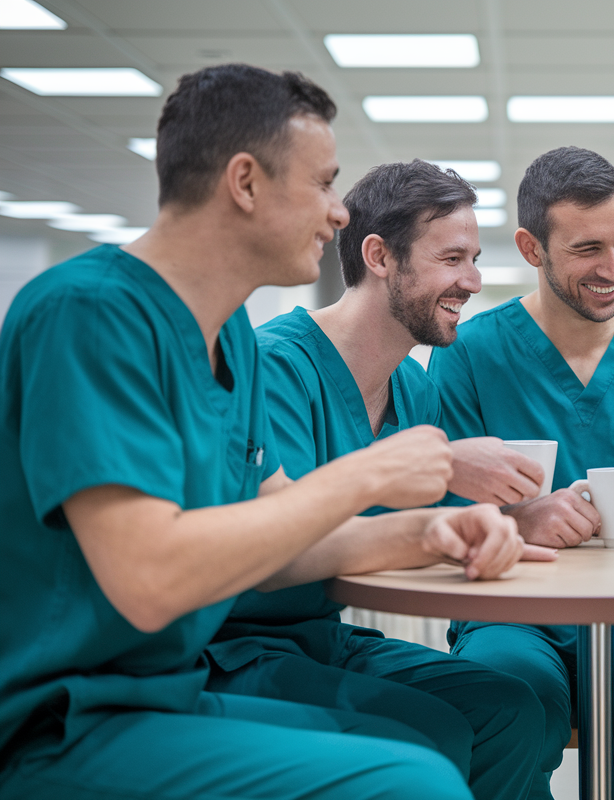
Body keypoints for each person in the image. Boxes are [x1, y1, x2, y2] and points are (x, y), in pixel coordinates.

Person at [0, 64, 491, 800]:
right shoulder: (87, 314)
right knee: (414, 783)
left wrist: (429, 533)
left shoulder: (229, 333)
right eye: (323, 184)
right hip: (62, 719)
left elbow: (282, 547)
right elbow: (149, 580)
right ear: (245, 182)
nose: (338, 214)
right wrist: (367, 474)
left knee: (446, 734)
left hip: (167, 691)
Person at [203, 159, 558, 800]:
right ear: (379, 256)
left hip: (321, 636)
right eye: (453, 259)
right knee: (430, 732)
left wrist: (513, 518)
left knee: (510, 706)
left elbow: (408, 523)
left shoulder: (413, 390)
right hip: (234, 648)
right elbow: (281, 542)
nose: (474, 281)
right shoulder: (276, 367)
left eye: (474, 259)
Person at [426, 146, 614, 800]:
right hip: (508, 612)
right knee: (503, 705)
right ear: (531, 249)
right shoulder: (469, 354)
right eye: (588, 249)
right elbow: (433, 505)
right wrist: (513, 517)